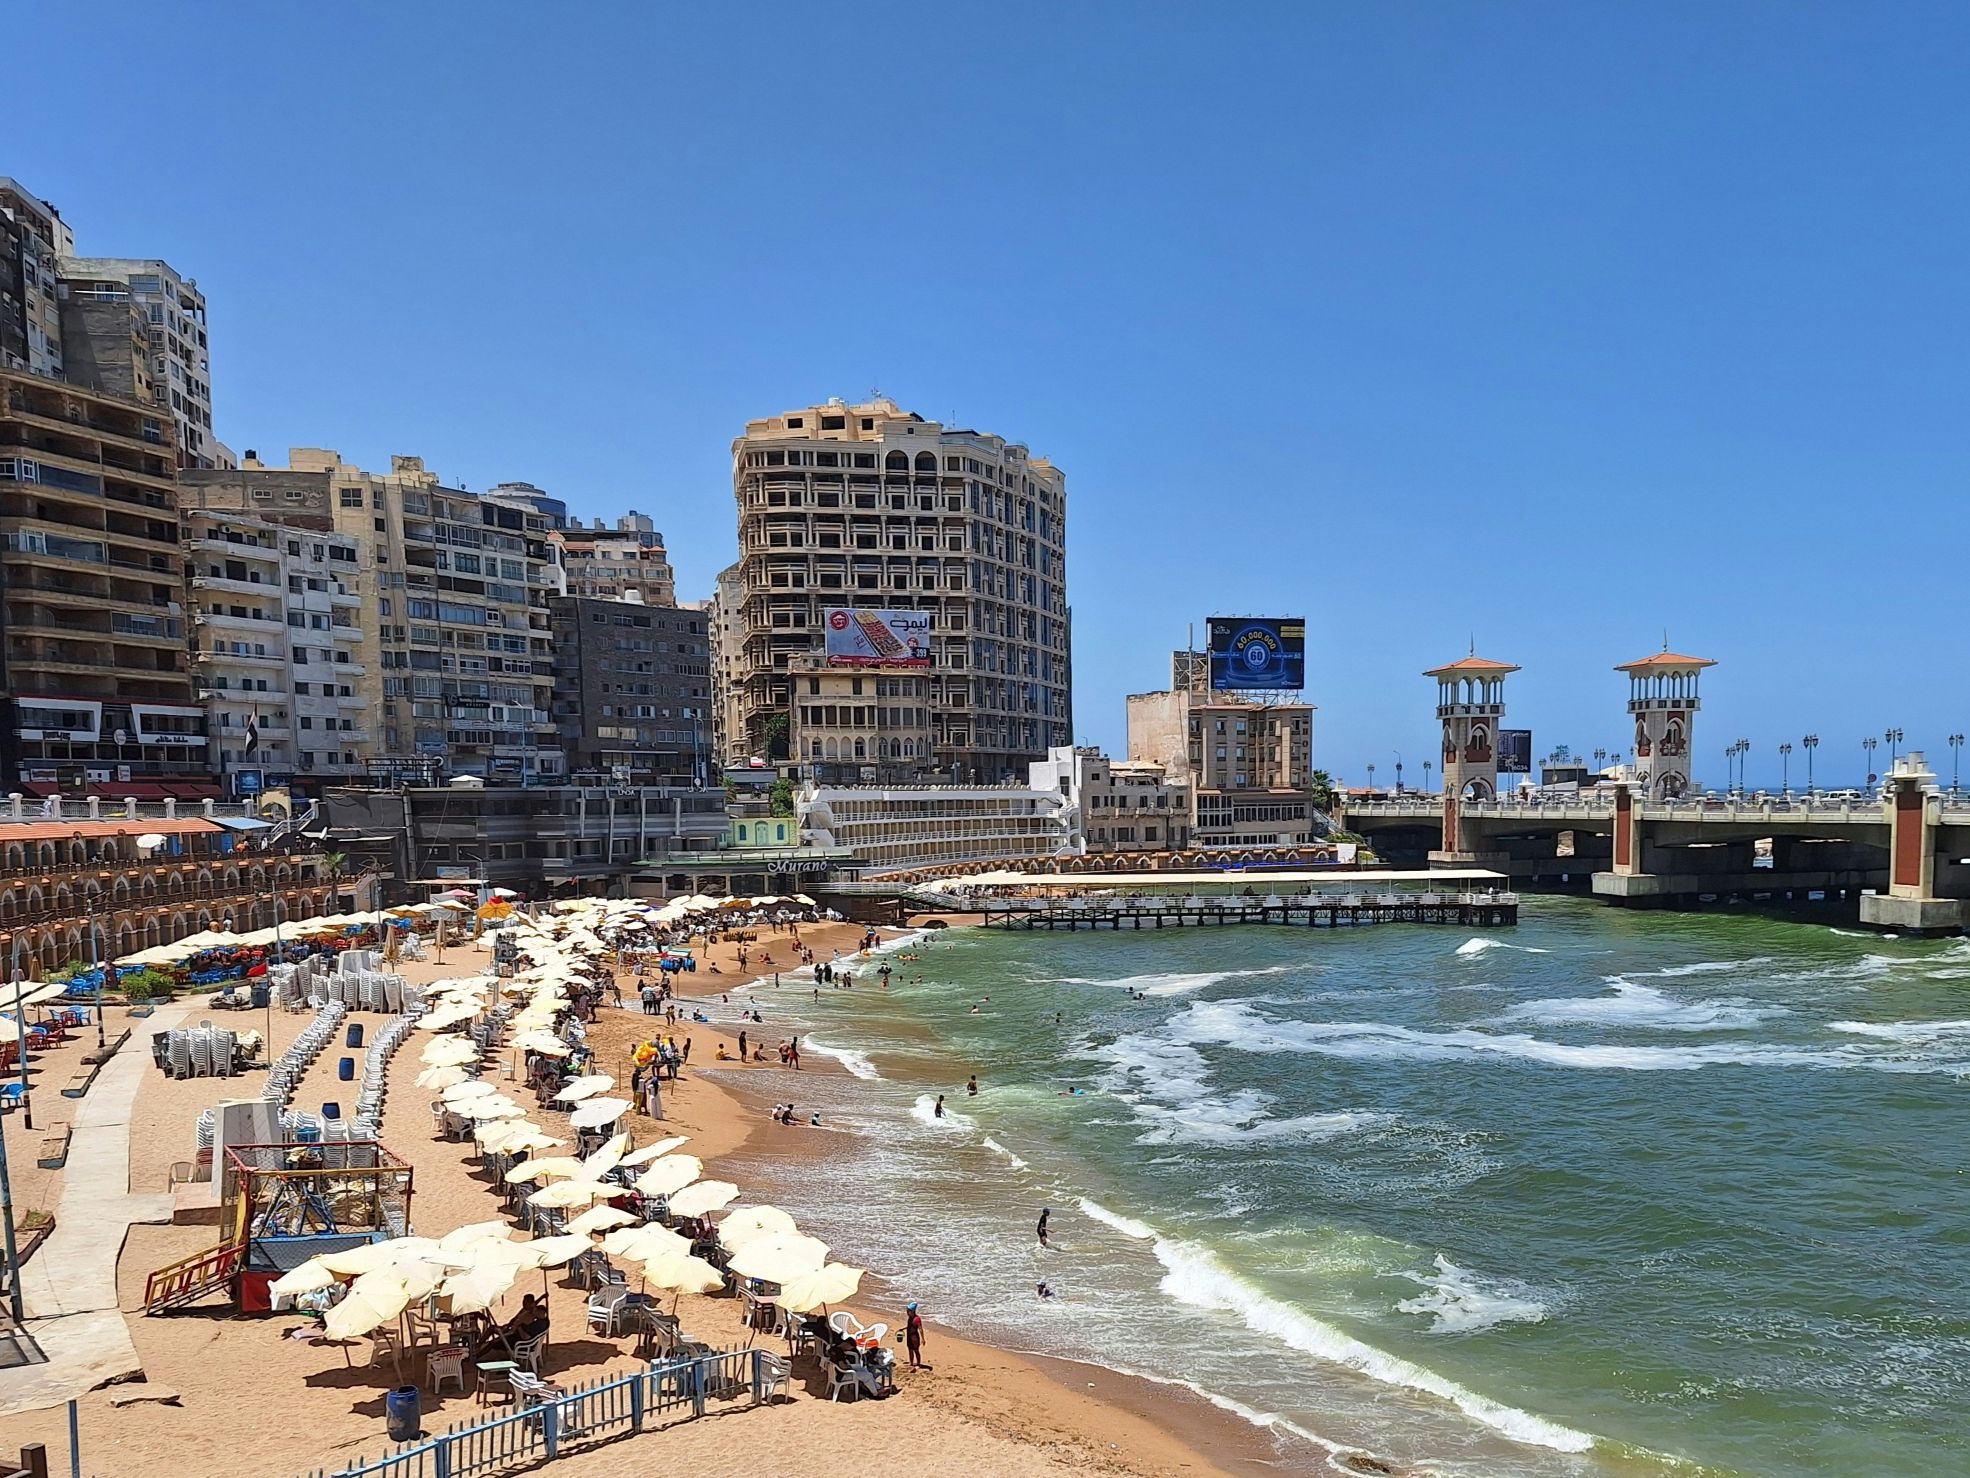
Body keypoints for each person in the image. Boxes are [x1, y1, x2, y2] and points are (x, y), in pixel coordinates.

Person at [904, 1300, 926, 1369]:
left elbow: (920, 1329)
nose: (907, 1313)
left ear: (912, 1311)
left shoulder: (917, 1319)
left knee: (916, 1350)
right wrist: (903, 1329)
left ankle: (918, 1364)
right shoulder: (910, 1318)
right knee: (910, 1350)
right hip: (909, 1337)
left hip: (915, 1338)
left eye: (908, 1311)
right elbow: (910, 1326)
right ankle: (911, 1362)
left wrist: (923, 1339)